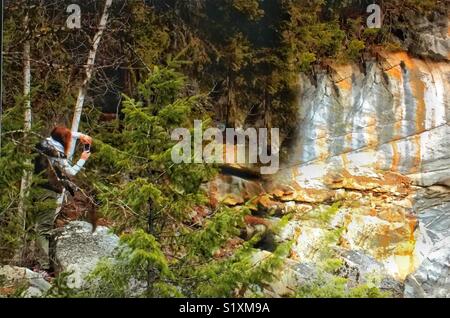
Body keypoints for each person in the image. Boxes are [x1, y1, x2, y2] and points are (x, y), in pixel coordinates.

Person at [34, 126, 92, 195]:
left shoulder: (46, 142)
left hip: (34, 176)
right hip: (47, 187)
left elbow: (62, 135)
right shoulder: (58, 156)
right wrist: (83, 159)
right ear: (65, 141)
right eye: (69, 140)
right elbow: (71, 172)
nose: (70, 141)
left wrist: (81, 136)